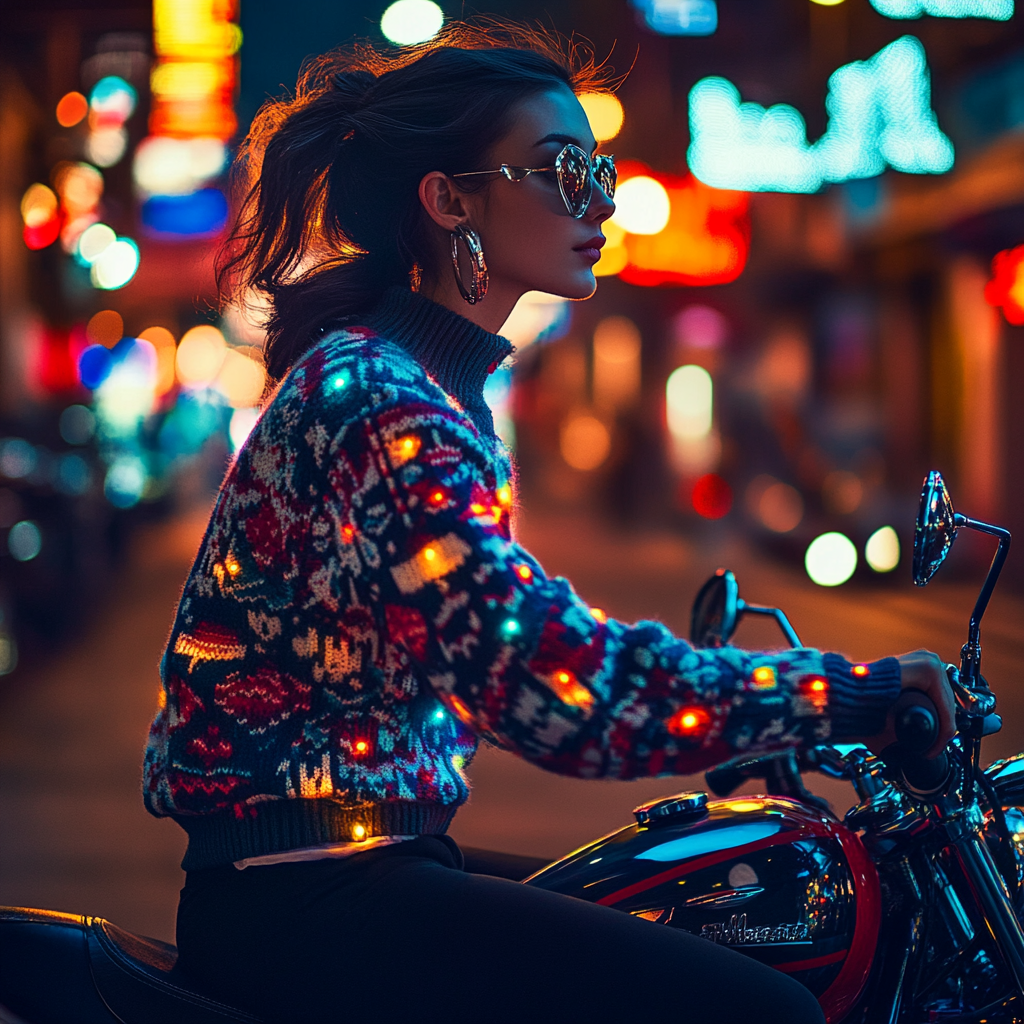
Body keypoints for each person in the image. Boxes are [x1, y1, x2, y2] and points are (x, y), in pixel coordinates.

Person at [144, 20, 954, 1024]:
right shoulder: (385, 400)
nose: (601, 201)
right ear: (449, 199)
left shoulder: (413, 381)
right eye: (563, 170)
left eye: (599, 170)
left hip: (348, 866)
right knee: (764, 1012)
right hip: (307, 894)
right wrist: (843, 695)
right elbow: (553, 687)